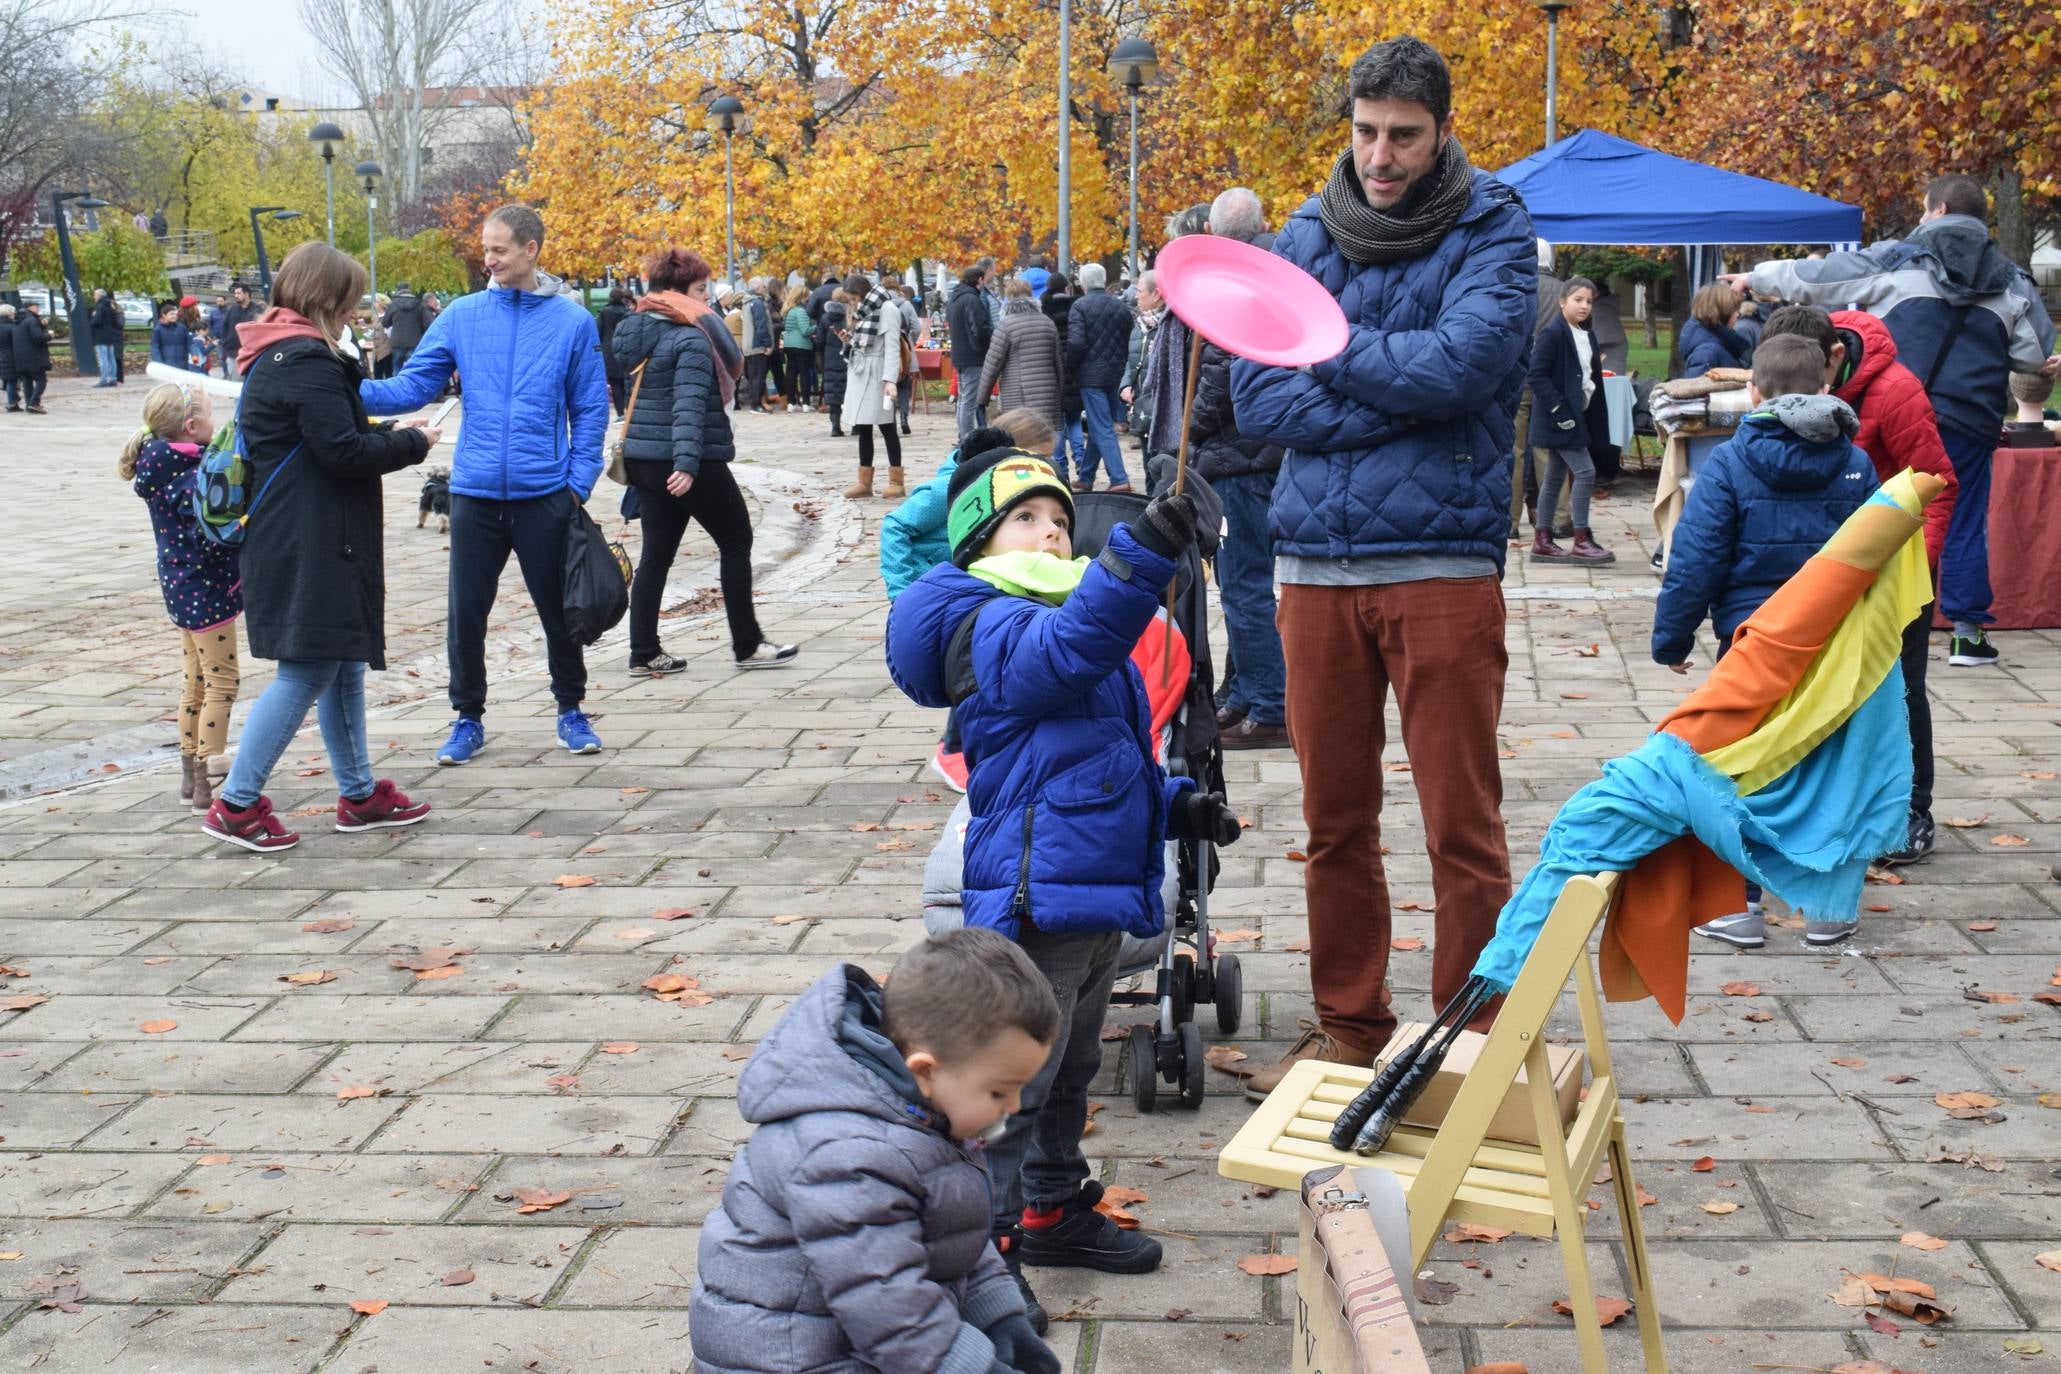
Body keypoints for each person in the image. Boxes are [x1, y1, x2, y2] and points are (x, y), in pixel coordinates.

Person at [1230, 35, 1533, 1096]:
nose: (1381, 155)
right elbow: (1258, 399)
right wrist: (1399, 394)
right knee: (1332, 823)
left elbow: (1467, 365)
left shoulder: (1494, 225)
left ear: (1441, 130)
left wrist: (1328, 347)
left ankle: (1473, 1039)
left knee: (1463, 820)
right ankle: (1350, 1025)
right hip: (1312, 568)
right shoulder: (1305, 232)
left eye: (1403, 135)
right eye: (1365, 132)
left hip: (1442, 566)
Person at [886, 453, 1239, 1326]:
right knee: (1014, 1088)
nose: (1049, 532)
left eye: (1056, 519)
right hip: (1036, 894)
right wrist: (1139, 557)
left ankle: (1050, 1208)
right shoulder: (988, 622)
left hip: (1089, 896)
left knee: (1074, 1064)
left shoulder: (1066, 623)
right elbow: (1058, 658)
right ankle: (984, 1259)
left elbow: (1103, 760)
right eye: (1024, 520)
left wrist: (1175, 804)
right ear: (977, 545)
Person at [689, 928, 1062, 1374]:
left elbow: (951, 1233)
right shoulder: (849, 1158)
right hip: (790, 1358)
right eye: (1001, 1090)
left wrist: (1000, 1317)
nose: (1015, 1106)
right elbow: (890, 1310)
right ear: (925, 1070)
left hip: (851, 1334)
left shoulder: (923, 1110)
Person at [1727, 173, 2059, 671]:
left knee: (1878, 512)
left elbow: (1818, 278)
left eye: (1925, 210)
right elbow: (2035, 351)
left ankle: (1869, 608)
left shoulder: (1897, 257)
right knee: (1963, 515)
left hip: (1895, 405)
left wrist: (1754, 278)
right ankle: (1966, 634)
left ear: (1939, 208)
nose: (1921, 218)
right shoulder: (2010, 279)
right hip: (1970, 417)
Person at [201, 241, 439, 853]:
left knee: (340, 661)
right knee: (308, 667)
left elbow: (324, 437)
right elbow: (343, 452)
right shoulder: (303, 359)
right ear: (325, 298)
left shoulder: (277, 354)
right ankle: (236, 803)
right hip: (309, 537)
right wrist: (413, 443)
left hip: (306, 530)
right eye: (352, 304)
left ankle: (359, 795)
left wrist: (388, 429)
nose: (356, 315)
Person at [359, 204, 611, 766]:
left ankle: (571, 709)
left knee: (558, 610)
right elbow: (411, 387)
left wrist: (578, 484)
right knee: (466, 613)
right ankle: (467, 718)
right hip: (473, 492)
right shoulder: (462, 315)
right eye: (486, 248)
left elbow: (592, 409)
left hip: (545, 493)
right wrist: (340, 386)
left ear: (531, 251)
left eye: (499, 249)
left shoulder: (572, 323)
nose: (489, 259)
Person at [1651, 335, 1877, 948]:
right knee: (1827, 766)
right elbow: (1879, 556)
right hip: (1833, 644)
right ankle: (1825, 908)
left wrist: (1672, 638)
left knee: (1742, 765)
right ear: (1827, 388)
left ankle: (1738, 904)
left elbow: (1696, 557)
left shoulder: (1728, 461)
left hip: (1753, 640)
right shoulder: (1857, 462)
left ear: (1753, 391)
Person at [1757, 303, 1959, 869]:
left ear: (1836, 357)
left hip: (1897, 564)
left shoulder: (1895, 393)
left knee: (1899, 688)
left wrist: (1912, 570)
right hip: (1830, 567)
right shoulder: (1806, 375)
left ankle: (1912, 812)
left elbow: (1937, 484)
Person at [612, 247, 799, 675]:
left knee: (656, 555)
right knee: (736, 540)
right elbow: (690, 404)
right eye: (700, 289)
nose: (707, 299)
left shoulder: (638, 330)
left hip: (644, 455)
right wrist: (687, 462)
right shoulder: (690, 335)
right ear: (677, 293)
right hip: (686, 457)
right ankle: (747, 643)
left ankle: (643, 651)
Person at [123, 381, 241, 814]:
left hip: (180, 588)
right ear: (191, 427)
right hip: (205, 590)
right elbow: (212, 537)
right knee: (223, 683)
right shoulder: (191, 477)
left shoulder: (159, 465)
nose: (217, 420)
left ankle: (190, 779)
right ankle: (212, 779)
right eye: (211, 414)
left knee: (195, 682)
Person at [1189, 298, 1288, 749]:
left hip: (1238, 464)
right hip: (1245, 458)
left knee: (1244, 587)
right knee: (1240, 587)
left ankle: (1272, 705)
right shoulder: (1258, 306)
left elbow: (1215, 389)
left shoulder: (1230, 313)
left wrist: (1183, 432)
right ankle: (1248, 694)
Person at [879, 411, 1058, 599]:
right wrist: (902, 591)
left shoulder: (1010, 487)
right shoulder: (950, 489)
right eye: (1040, 457)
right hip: (927, 591)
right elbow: (894, 527)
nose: (1047, 465)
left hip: (960, 589)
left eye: (1050, 457)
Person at [1527, 276, 1615, 564]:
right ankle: (1581, 538)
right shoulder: (1552, 334)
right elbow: (1536, 374)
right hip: (1561, 420)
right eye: (1578, 300)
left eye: (1589, 301)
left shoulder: (1586, 334)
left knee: (1553, 477)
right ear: (1562, 301)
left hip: (1579, 416)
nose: (1584, 306)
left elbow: (1588, 377)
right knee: (1585, 472)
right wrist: (1558, 410)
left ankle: (1542, 540)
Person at [1064, 262, 1133, 492]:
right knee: (1098, 425)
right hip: (1115, 372)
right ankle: (1086, 475)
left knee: (1102, 426)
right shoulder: (1121, 307)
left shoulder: (1079, 307)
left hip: (1090, 375)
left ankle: (1119, 478)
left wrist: (1070, 368)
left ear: (1082, 284)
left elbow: (1076, 342)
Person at [975, 280, 1064, 452]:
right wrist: (1059, 395)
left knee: (1020, 438)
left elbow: (992, 363)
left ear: (1009, 298)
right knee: (1045, 437)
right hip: (1048, 392)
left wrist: (982, 398)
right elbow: (1058, 362)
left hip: (1018, 393)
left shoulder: (1006, 325)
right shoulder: (1047, 322)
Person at [839, 273, 906, 499]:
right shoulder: (864, 310)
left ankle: (896, 480)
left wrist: (890, 380)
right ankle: (864, 481)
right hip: (861, 370)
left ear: (862, 292)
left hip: (878, 373)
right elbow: (864, 339)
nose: (852, 302)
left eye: (853, 297)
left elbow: (892, 346)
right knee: (863, 425)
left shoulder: (887, 309)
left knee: (887, 426)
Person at [1039, 275, 1086, 485]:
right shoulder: (1076, 307)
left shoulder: (1044, 310)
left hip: (1052, 372)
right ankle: (1082, 463)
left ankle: (1061, 468)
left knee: (1056, 423)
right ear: (1067, 288)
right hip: (1075, 370)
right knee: (1074, 420)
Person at [1118, 270, 1163, 450]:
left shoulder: (1171, 326)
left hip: (1161, 406)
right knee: (1148, 464)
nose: (1136, 296)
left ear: (1156, 294)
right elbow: (1132, 360)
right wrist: (1126, 384)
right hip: (1142, 404)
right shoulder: (1140, 324)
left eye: (1140, 291)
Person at [948, 265, 994, 437]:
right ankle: (967, 438)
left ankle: (963, 435)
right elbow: (980, 328)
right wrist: (986, 346)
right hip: (973, 356)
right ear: (979, 280)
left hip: (959, 354)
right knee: (969, 401)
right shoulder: (972, 299)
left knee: (962, 399)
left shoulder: (955, 298)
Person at [1678, 282, 1753, 378]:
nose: (1738, 314)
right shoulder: (1706, 353)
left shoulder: (1719, 341)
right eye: (1733, 309)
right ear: (1721, 311)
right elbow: (1696, 391)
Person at [891, 281, 924, 435]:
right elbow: (917, 328)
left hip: (887, 348)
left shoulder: (881, 303)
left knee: (888, 385)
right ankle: (904, 418)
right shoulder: (906, 305)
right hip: (904, 348)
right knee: (904, 386)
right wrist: (912, 341)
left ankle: (890, 420)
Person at [738, 277, 775, 413]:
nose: (765, 289)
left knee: (753, 375)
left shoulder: (746, 303)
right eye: (763, 286)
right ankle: (756, 404)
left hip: (748, 344)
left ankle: (755, 403)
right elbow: (761, 326)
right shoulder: (758, 304)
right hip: (757, 344)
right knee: (758, 376)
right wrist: (767, 344)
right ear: (758, 288)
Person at [819, 289, 851, 438]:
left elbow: (820, 340)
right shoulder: (849, 317)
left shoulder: (825, 318)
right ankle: (856, 426)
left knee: (833, 393)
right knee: (850, 391)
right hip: (847, 358)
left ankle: (835, 426)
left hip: (830, 358)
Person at [596, 287, 632, 416]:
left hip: (608, 351)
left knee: (615, 383)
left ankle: (620, 413)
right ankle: (629, 410)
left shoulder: (604, 313)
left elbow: (598, 332)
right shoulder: (628, 313)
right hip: (626, 348)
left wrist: (596, 350)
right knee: (626, 382)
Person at [780, 284, 816, 412]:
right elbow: (805, 331)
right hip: (802, 345)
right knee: (804, 374)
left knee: (791, 374)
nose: (808, 298)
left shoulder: (788, 310)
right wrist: (818, 326)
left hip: (789, 345)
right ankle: (805, 403)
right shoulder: (801, 311)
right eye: (806, 296)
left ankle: (791, 403)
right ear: (801, 296)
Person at [383, 282, 429, 381]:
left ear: (398, 291)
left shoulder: (393, 305)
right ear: (409, 290)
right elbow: (427, 323)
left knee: (397, 367)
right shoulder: (419, 304)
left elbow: (385, 323)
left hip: (398, 341)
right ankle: (414, 389)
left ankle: (398, 391)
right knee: (414, 368)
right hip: (415, 340)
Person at [12, 302, 50, 413]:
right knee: (41, 380)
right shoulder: (32, 320)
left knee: (27, 382)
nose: (38, 308)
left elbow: (26, 334)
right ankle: (33, 403)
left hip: (19, 357)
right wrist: (49, 335)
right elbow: (38, 337)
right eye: (36, 306)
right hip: (34, 356)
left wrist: (42, 326)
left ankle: (29, 405)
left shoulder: (17, 321)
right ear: (29, 308)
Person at [219, 283, 256, 380]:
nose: (236, 296)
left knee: (251, 381)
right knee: (235, 383)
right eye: (235, 294)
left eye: (238, 293)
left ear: (247, 294)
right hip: (233, 353)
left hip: (252, 354)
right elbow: (224, 327)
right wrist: (225, 342)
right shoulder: (231, 309)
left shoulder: (258, 310)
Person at [150, 301, 196, 373]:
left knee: (183, 383)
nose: (174, 316)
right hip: (167, 364)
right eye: (171, 314)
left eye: (175, 314)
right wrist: (159, 362)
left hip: (183, 364)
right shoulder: (158, 330)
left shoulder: (181, 328)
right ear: (164, 315)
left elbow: (190, 343)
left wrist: (194, 355)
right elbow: (155, 347)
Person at [89, 289, 123, 386]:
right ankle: (112, 378)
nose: (94, 297)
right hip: (110, 335)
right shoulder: (110, 306)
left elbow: (97, 321)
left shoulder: (100, 306)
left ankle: (103, 379)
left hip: (100, 336)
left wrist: (92, 319)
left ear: (99, 296)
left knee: (103, 359)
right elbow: (115, 321)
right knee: (111, 358)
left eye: (95, 295)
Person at [0, 304, 17, 411]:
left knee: (7, 379)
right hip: (11, 355)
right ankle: (12, 403)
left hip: (1, 355)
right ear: (10, 313)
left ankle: (14, 399)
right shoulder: (12, 327)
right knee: (12, 380)